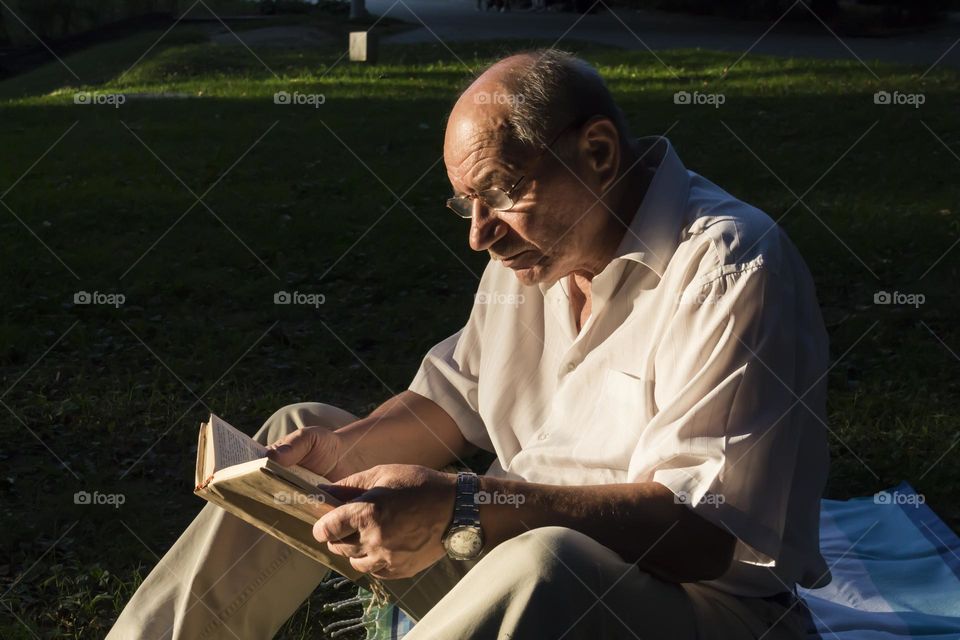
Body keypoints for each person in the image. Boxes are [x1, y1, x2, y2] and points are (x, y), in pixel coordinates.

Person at [109, 49, 829, 639]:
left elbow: (705, 537)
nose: (479, 235)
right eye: (465, 204)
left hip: (706, 610)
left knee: (548, 561)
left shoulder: (731, 269)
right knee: (304, 434)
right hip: (519, 559)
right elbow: (450, 404)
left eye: (503, 191)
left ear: (600, 151)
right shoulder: (527, 258)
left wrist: (465, 503)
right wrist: (342, 456)